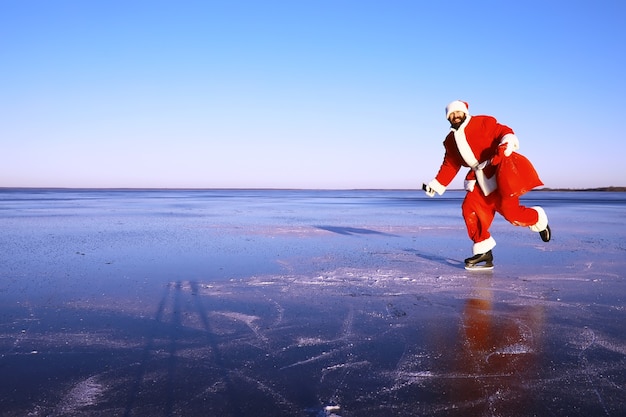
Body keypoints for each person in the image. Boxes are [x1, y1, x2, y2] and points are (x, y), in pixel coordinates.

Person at [423, 100, 551, 269]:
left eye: (457, 112)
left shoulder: (482, 122)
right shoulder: (450, 140)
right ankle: (484, 251)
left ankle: (538, 218)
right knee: (470, 209)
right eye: (451, 114)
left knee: (511, 214)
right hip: (479, 181)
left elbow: (503, 131)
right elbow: (450, 165)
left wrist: (506, 144)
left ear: (465, 112)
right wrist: (437, 184)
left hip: (499, 174)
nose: (455, 116)